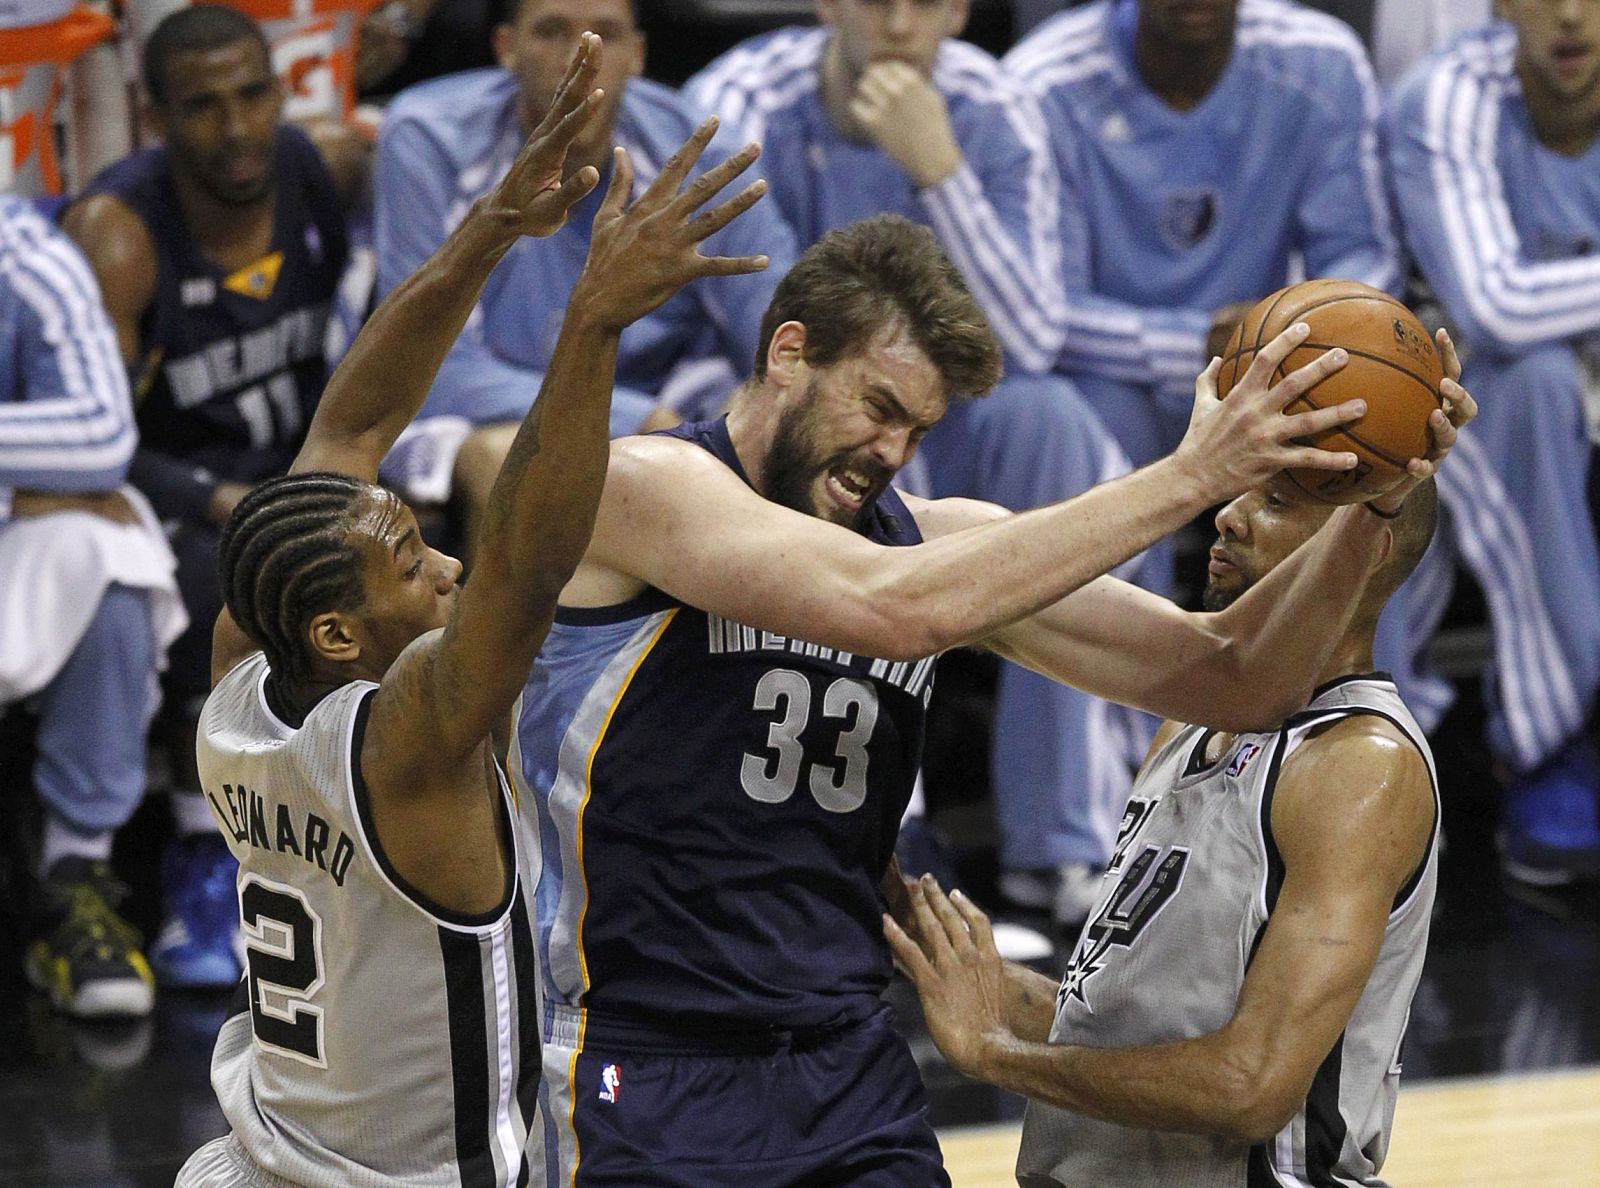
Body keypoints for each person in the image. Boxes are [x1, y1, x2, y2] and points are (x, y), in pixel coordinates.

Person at [515, 211, 1465, 1183]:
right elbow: (890, 611)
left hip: (844, 1062)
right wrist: (1190, 474)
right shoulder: (644, 486)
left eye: (918, 429)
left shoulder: (930, 543)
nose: (889, 448)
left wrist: (1377, 500)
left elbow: (1234, 677)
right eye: (876, 405)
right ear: (789, 353)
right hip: (641, 1050)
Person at [176, 36, 771, 1187]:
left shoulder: (242, 677)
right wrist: (590, 319)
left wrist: (496, 225)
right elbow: (529, 561)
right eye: (409, 563)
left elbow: (351, 429)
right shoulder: (407, 741)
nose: (444, 566)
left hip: (253, 1156)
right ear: (342, 635)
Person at [885, 350, 1474, 1186]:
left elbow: (1250, 1087)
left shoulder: (1358, 765)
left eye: (1276, 501)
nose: (1229, 517)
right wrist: (984, 984)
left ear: (1363, 548)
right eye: (1243, 491)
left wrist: (1000, 1054)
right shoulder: (1188, 728)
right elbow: (1131, 1033)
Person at [687, 0, 1149, 926]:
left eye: (927, 0)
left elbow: (1027, 337)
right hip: (788, 398)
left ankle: (1068, 845)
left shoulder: (997, 103)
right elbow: (772, 341)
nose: (900, 20)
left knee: (1059, 425)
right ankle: (894, 828)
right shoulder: (737, 99)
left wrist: (940, 169)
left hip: (953, 399)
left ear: (962, 11)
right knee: (866, 443)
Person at [61, 3, 362, 991]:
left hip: (298, 464)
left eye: (250, 97)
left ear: (279, 92)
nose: (234, 128)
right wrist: (217, 495)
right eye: (202, 107)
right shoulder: (116, 232)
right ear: (156, 118)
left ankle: (370, 836)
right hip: (173, 489)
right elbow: (97, 434)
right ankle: (202, 850)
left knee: (416, 554)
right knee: (216, 576)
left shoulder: (320, 168)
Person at [373, 0, 800, 557]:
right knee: (511, 461)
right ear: (506, 48)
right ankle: (505, 645)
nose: (582, 59)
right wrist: (635, 420)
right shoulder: (427, 137)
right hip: (471, 410)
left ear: (638, 55)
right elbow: (426, 363)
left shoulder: (698, 149)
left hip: (665, 396)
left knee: (774, 422)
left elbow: (779, 337)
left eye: (608, 35)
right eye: (552, 32)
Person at [1005, 0, 1400, 581]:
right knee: (1068, 426)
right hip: (1115, 383)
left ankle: (1350, 672)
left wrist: (1301, 333)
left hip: (1279, 372)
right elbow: (1042, 315)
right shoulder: (1040, 84)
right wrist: (1201, 343)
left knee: (1365, 422)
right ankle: (1106, 670)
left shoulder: (1323, 62)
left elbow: (1366, 254)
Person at [1386, 0, 1600, 887]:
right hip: (1464, 384)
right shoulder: (1446, 98)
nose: (1568, 13)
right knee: (1533, 387)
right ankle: (1559, 738)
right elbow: (1494, 308)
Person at [0, 194, 188, 1019]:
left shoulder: (26, 258)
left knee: (111, 556)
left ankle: (77, 879)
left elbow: (103, 436)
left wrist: (46, 484)